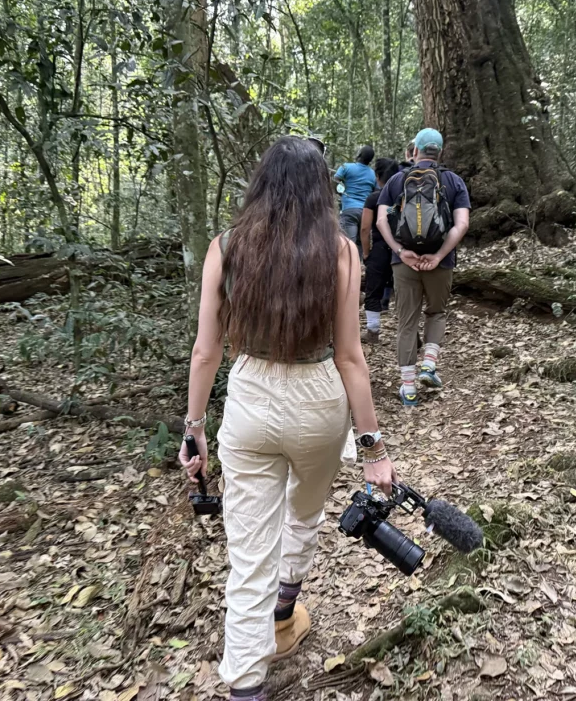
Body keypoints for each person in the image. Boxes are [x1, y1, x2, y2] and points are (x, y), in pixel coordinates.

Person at [180, 137, 397, 701]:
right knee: (303, 513)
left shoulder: (226, 248)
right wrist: (373, 450)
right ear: (321, 187)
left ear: (263, 184)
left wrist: (194, 429)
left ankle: (246, 685)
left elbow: (206, 352)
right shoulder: (341, 251)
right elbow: (351, 357)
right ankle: (285, 609)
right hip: (319, 401)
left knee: (247, 556)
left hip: (250, 398)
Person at [376, 128, 470, 406]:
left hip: (403, 263)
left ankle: (408, 388)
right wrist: (439, 255)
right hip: (440, 263)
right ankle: (429, 365)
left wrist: (401, 251)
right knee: (437, 311)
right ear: (439, 152)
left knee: (406, 322)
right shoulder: (453, 181)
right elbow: (462, 224)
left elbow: (382, 221)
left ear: (414, 151)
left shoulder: (396, 180)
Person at [360, 158, 400, 343]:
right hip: (402, 249)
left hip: (380, 249)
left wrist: (366, 253)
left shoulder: (374, 198)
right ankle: (410, 334)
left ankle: (373, 332)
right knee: (404, 292)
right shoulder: (405, 196)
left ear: (377, 176)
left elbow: (365, 228)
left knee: (373, 289)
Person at [334, 145, 377, 257]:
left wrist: (341, 192)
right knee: (360, 243)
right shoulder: (373, 174)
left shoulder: (346, 167)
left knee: (348, 243)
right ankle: (358, 268)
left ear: (359, 155)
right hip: (365, 212)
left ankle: (347, 270)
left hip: (349, 209)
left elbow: (335, 180)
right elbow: (376, 192)